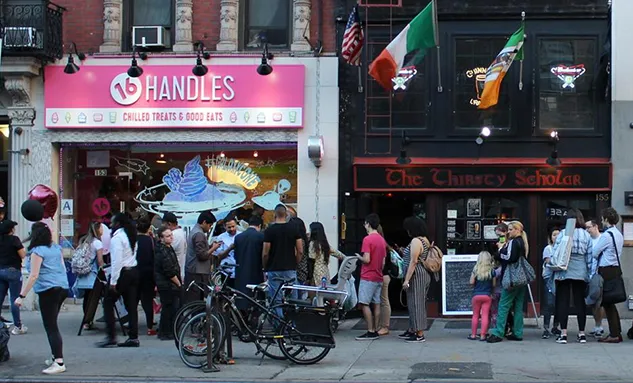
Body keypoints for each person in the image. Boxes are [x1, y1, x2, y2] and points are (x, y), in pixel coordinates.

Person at [15, 222, 69, 374]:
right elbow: (63, 268)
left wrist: (21, 296)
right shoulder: (56, 248)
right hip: (61, 288)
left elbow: (33, 276)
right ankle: (55, 356)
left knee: (51, 327)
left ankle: (59, 362)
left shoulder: (37, 251)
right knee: (53, 324)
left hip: (48, 290)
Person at [97, 213, 140, 348]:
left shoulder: (117, 238)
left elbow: (117, 261)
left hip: (123, 273)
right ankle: (133, 337)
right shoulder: (131, 236)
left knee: (108, 303)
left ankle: (111, 336)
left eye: (112, 222)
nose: (110, 225)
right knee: (131, 306)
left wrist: (113, 282)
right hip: (133, 270)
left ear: (118, 224)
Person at [550, 208, 592, 344]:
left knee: (563, 301)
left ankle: (563, 333)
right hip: (580, 270)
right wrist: (589, 273)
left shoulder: (563, 234)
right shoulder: (586, 235)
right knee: (580, 302)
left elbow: (555, 252)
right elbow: (589, 256)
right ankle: (581, 333)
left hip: (564, 269)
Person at [487, 221, 529, 343]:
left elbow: (509, 258)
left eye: (511, 229)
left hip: (511, 278)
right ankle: (518, 332)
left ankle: (498, 332)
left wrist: (500, 250)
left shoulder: (513, 242)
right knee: (518, 306)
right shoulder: (523, 243)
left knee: (503, 305)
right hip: (521, 278)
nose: (509, 232)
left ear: (517, 230)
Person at [262, 204, 302, 318]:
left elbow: (265, 253)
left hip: (274, 268)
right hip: (290, 268)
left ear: (275, 214)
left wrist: (265, 267)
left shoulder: (269, 230)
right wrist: (295, 263)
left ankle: (279, 324)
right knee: (293, 299)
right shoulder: (294, 229)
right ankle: (293, 324)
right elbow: (300, 250)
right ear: (286, 214)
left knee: (276, 300)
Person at [593, 207, 625, 343]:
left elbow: (595, 252)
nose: (601, 220)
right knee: (610, 301)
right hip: (615, 268)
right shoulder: (618, 234)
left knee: (607, 302)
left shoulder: (607, 235)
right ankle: (616, 331)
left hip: (606, 269)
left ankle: (614, 334)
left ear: (606, 219)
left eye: (602, 218)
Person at [355, 213, 388, 341]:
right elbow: (383, 262)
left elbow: (367, 259)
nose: (364, 226)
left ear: (368, 224)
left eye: (365, 223)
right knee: (377, 304)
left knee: (364, 303)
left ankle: (370, 330)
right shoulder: (381, 239)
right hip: (378, 275)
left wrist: (359, 257)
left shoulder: (367, 239)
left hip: (368, 276)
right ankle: (376, 328)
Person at [399, 216, 431, 343]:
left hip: (416, 275)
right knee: (415, 303)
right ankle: (413, 329)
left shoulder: (416, 241)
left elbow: (414, 261)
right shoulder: (425, 240)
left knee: (416, 304)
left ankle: (419, 333)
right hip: (422, 274)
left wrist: (406, 280)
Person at [73, 222, 105, 331]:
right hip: (93, 274)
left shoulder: (84, 241)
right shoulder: (98, 243)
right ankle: (87, 321)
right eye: (101, 227)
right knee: (93, 298)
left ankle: (86, 321)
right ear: (98, 230)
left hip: (83, 273)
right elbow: (100, 261)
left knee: (87, 298)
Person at [153, 227, 182, 340]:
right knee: (168, 308)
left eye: (171, 235)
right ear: (161, 238)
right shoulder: (162, 250)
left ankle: (166, 330)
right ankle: (166, 332)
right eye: (168, 236)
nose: (171, 237)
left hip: (168, 282)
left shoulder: (168, 248)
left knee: (169, 307)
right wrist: (178, 283)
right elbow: (168, 270)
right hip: (166, 284)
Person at [184, 211, 219, 303]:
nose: (210, 228)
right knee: (197, 301)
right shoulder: (199, 234)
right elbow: (202, 256)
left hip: (193, 270)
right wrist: (214, 248)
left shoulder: (195, 231)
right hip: (197, 272)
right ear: (204, 222)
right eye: (209, 225)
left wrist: (210, 246)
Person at [0, 220, 27, 334]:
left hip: (1, 270)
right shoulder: (14, 239)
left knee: (0, 298)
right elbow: (22, 255)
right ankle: (18, 326)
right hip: (13, 271)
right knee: (15, 299)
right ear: (10, 229)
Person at [233, 216, 265, 311]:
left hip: (241, 271)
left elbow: (236, 255)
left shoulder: (238, 237)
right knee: (255, 298)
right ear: (259, 226)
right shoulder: (261, 237)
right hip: (256, 271)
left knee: (242, 297)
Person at [135, 218, 156, 335]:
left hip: (135, 272)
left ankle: (133, 324)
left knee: (133, 299)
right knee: (147, 300)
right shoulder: (151, 241)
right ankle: (149, 326)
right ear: (148, 228)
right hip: (148, 273)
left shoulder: (132, 240)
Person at [307, 222, 344, 287]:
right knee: (325, 291)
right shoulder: (324, 244)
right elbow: (338, 254)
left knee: (318, 293)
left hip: (316, 272)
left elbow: (311, 260)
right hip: (325, 271)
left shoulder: (312, 244)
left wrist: (309, 277)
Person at [585, 219, 605, 338]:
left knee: (599, 301)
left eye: (589, 227)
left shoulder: (602, 239)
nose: (587, 230)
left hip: (598, 274)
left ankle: (599, 325)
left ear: (595, 226)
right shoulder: (588, 240)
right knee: (592, 301)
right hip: (588, 274)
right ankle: (597, 325)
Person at [469, 251, 495, 341]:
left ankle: (473, 334)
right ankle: (483, 335)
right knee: (485, 315)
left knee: (475, 315)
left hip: (476, 295)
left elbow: (471, 282)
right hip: (487, 296)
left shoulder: (476, 269)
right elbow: (494, 284)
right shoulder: (491, 270)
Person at [541, 227, 561, 339]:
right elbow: (548, 261)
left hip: (560, 278)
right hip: (549, 278)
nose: (556, 237)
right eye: (554, 235)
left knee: (559, 303)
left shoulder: (563, 249)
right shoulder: (548, 249)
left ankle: (555, 326)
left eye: (558, 234)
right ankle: (546, 327)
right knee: (549, 303)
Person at [376, 225, 394, 336]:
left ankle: (385, 326)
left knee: (383, 301)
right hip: (385, 275)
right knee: (382, 301)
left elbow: (382, 263)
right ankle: (381, 325)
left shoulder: (380, 244)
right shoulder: (385, 244)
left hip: (382, 275)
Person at [213, 217, 239, 288]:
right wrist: (230, 248)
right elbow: (219, 256)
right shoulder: (221, 238)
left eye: (233, 226)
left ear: (236, 224)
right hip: (226, 270)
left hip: (239, 270)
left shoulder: (241, 236)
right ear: (225, 227)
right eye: (229, 227)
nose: (232, 229)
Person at [162, 213, 187, 280]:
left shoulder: (174, 235)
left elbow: (163, 251)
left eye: (164, 225)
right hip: (179, 271)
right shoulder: (181, 232)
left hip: (173, 274)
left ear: (169, 224)